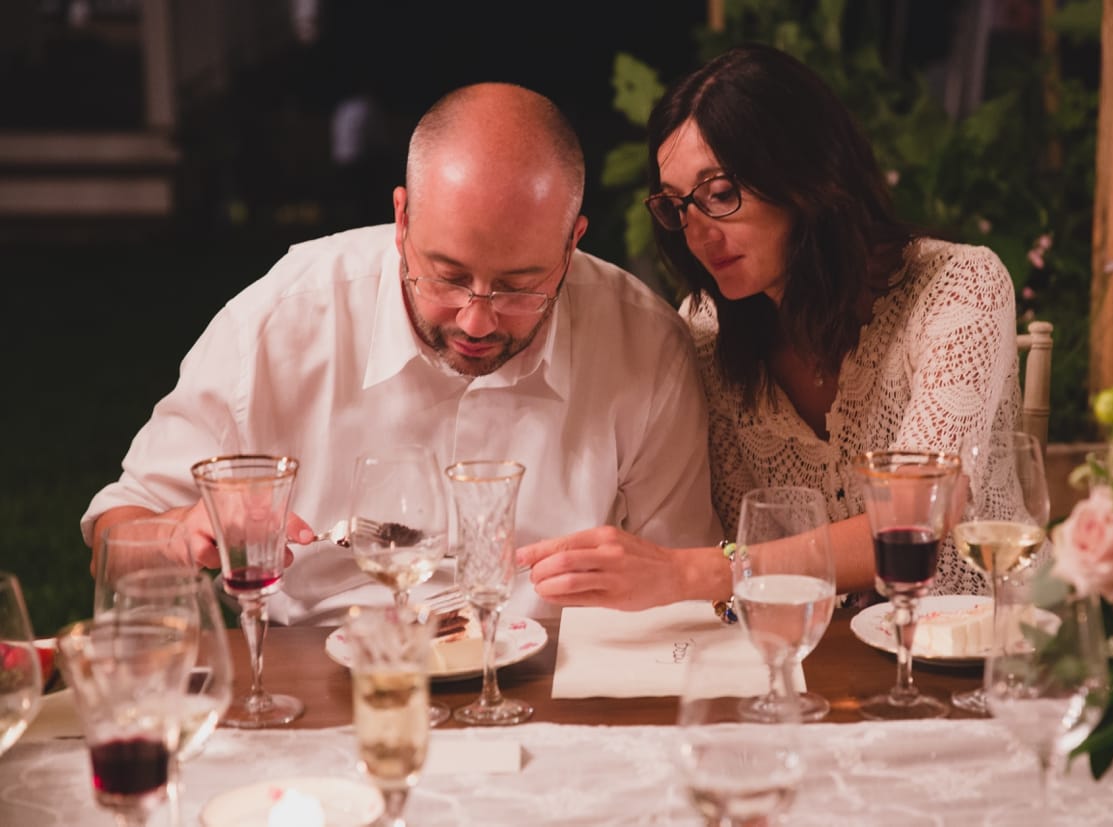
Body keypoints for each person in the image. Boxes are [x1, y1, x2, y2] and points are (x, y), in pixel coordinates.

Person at [82, 82, 719, 624]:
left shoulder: (643, 347)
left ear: (573, 243)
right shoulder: (282, 322)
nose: (476, 318)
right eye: (445, 276)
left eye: (519, 286)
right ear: (402, 218)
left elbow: (682, 594)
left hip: (558, 687)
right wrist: (176, 533)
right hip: (325, 691)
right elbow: (117, 532)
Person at [521, 44, 1020, 609]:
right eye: (678, 206)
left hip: (976, 659)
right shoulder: (705, 333)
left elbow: (917, 518)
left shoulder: (958, 285)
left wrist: (694, 572)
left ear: (805, 172)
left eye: (721, 194)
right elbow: (718, 528)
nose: (698, 231)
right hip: (813, 670)